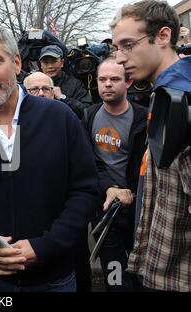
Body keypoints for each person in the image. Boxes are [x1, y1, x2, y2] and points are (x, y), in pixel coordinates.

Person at [0, 23, 100, 292]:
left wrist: (45, 246)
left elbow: (86, 190)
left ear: (17, 63)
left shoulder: (58, 117)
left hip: (56, 279)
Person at [111, 0, 191, 292]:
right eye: (116, 47)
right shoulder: (165, 94)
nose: (119, 58)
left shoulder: (183, 99)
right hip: (160, 271)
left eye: (129, 45)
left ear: (163, 36)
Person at [82, 57, 148, 291]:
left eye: (114, 79)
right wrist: (108, 188)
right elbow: (87, 163)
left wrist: (131, 192)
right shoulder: (89, 116)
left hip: (138, 210)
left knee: (141, 273)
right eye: (102, 79)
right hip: (105, 211)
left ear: (128, 82)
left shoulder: (144, 118)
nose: (107, 84)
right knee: (114, 276)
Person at [38, 45, 93, 118]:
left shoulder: (75, 84)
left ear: (62, 63)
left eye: (54, 61)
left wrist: (63, 98)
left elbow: (87, 111)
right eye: (46, 62)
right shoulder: (32, 84)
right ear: (41, 65)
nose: (50, 66)